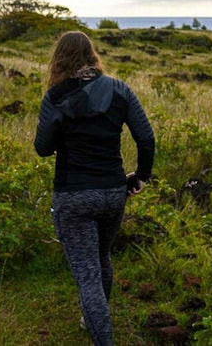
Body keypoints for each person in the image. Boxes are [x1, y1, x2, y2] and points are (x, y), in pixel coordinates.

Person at [34, 30, 155, 346]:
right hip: (114, 192)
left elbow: (43, 148)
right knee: (102, 259)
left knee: (88, 274)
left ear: (58, 58)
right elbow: (146, 137)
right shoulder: (120, 90)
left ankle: (101, 336)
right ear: (92, 54)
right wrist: (141, 175)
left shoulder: (56, 97)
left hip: (74, 195)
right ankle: (91, 320)